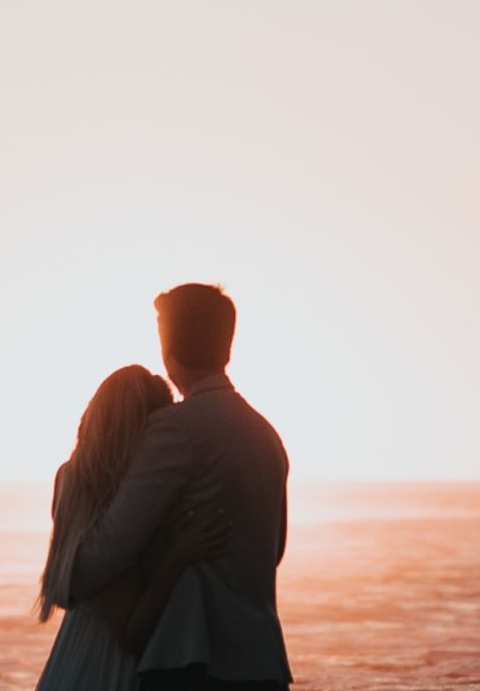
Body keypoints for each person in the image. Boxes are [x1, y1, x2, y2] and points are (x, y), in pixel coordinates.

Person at [59, 284, 294, 691]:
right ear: (227, 346)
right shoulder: (266, 436)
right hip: (262, 662)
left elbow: (107, 550)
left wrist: (71, 570)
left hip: (191, 662)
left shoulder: (175, 429)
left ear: (167, 347)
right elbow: (272, 551)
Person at [35, 365, 231, 691]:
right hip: (107, 672)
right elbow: (131, 634)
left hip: (71, 662)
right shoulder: (109, 512)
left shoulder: (77, 488)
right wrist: (178, 557)